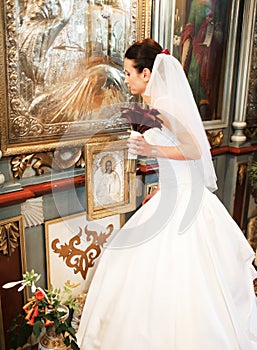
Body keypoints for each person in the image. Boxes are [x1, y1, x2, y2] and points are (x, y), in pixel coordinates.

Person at [76, 38, 257, 349]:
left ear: (146, 73)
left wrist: (150, 147)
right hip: (172, 196)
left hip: (185, 205)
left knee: (181, 282)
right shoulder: (159, 104)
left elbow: (194, 149)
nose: (127, 78)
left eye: (130, 72)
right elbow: (181, 163)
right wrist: (162, 187)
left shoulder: (167, 105)